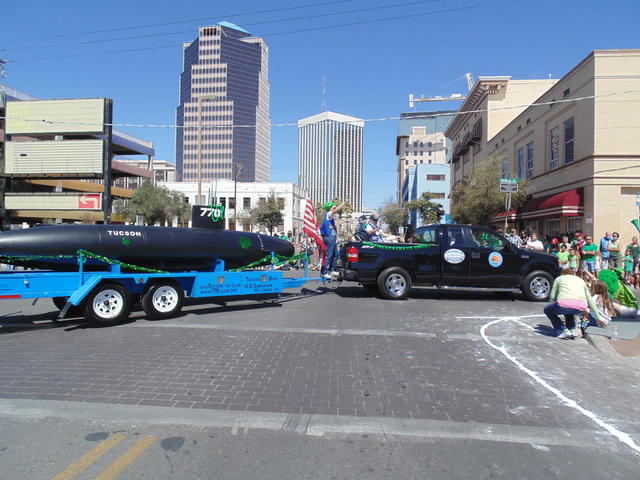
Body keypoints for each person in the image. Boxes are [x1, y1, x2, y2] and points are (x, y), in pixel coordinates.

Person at [544, 268, 605, 339]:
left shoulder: (559, 278)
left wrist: (559, 298)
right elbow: (590, 300)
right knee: (570, 310)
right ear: (573, 274)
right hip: (581, 306)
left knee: (547, 310)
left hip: (564, 303)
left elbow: (552, 297)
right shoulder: (581, 280)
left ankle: (562, 330)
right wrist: (598, 317)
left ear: (563, 273)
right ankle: (572, 329)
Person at [319, 200, 348, 278]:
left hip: (332, 238)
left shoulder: (331, 218)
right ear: (330, 208)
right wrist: (343, 203)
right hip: (329, 237)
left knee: (336, 254)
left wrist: (337, 237)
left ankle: (331, 270)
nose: (334, 207)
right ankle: (323, 272)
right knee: (329, 255)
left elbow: (334, 228)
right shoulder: (329, 214)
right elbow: (335, 211)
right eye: (333, 206)